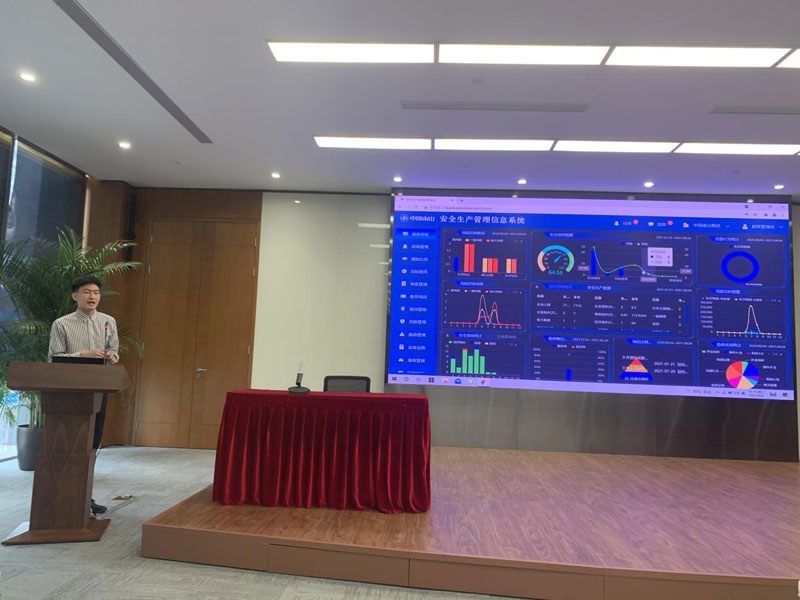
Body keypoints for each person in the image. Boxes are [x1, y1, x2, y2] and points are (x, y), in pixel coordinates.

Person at [48, 275, 119, 516]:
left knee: (92, 443)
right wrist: (82, 354)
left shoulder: (108, 321)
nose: (92, 297)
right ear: (75, 295)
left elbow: (114, 349)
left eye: (96, 293)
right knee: (71, 443)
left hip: (98, 388)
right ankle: (67, 496)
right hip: (70, 392)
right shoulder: (62, 324)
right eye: (87, 292)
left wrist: (112, 357)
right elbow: (54, 357)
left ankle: (85, 496)